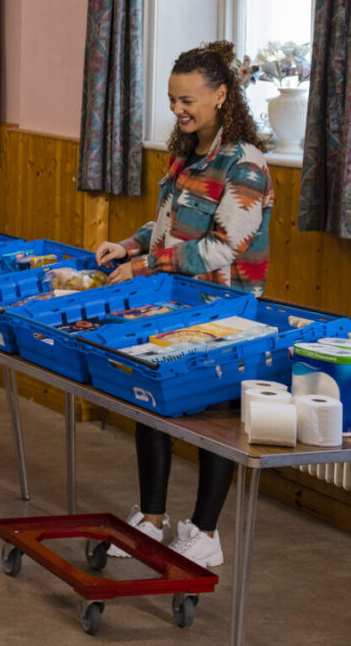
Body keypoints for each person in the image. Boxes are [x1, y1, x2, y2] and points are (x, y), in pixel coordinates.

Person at [94, 40, 274, 569]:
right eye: (173, 99)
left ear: (221, 95)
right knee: (152, 399)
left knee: (214, 419)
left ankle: (205, 532)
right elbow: (168, 226)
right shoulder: (187, 154)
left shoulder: (246, 166)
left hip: (227, 313)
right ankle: (152, 519)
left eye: (187, 100)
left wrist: (148, 265)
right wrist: (130, 246)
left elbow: (223, 247)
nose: (178, 109)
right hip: (175, 303)